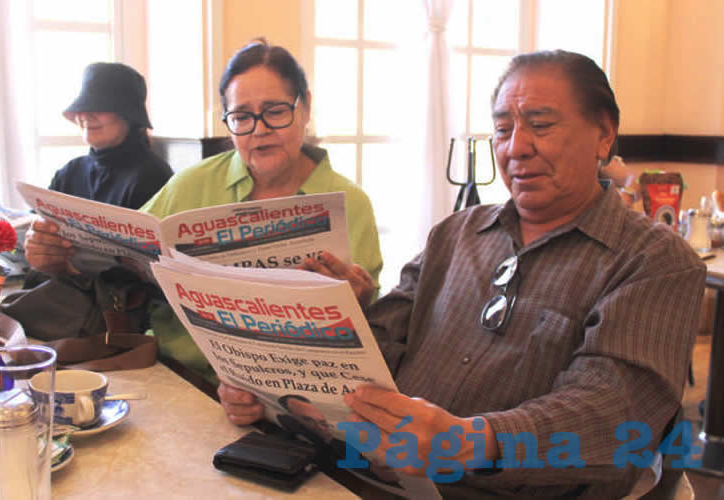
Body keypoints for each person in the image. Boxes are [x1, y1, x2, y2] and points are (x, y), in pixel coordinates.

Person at [219, 50, 706, 498]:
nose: (517, 148)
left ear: (604, 134)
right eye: (502, 129)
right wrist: (277, 384)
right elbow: (381, 343)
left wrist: (469, 440)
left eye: (540, 123)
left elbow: (613, 411)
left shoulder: (653, 261)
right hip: (360, 476)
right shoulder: (457, 233)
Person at [24, 41, 383, 382]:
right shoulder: (191, 184)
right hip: (181, 377)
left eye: (275, 112)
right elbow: (117, 256)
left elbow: (370, 326)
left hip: (296, 390)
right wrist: (59, 258)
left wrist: (359, 300)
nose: (260, 131)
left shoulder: (350, 203)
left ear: (304, 107)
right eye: (242, 117)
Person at [0, 62, 174, 210]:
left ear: (128, 115)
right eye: (83, 108)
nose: (85, 116)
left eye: (99, 107)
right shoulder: (71, 173)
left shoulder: (152, 177)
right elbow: (20, 234)